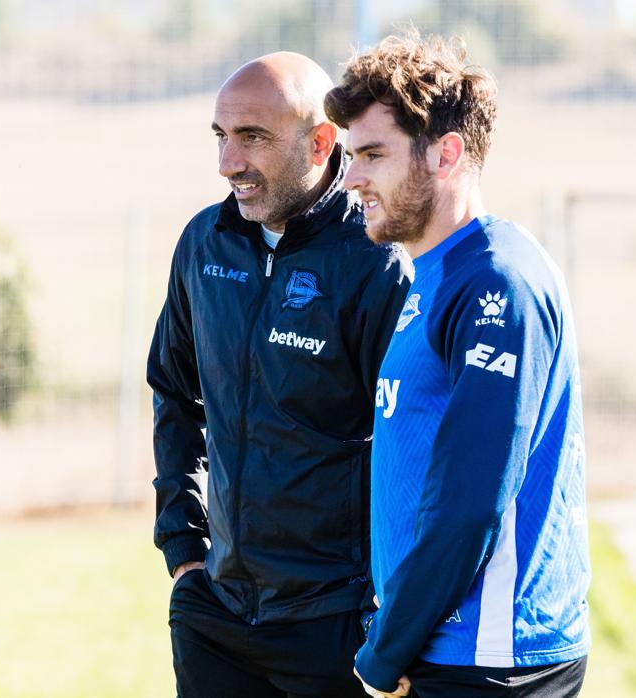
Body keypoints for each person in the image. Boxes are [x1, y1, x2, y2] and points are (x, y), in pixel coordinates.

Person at [324, 33, 590, 698]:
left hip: (488, 658)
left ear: (446, 154)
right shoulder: (438, 271)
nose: (352, 177)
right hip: (442, 647)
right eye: (352, 156)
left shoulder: (495, 281)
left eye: (373, 155)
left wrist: (384, 655)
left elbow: (470, 499)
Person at [147, 51, 410, 697]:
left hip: (335, 624)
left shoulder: (376, 261)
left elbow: (414, 447)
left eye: (252, 138)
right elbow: (175, 395)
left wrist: (391, 616)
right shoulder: (204, 243)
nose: (228, 162)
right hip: (217, 612)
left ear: (322, 142)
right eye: (221, 137)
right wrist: (183, 548)